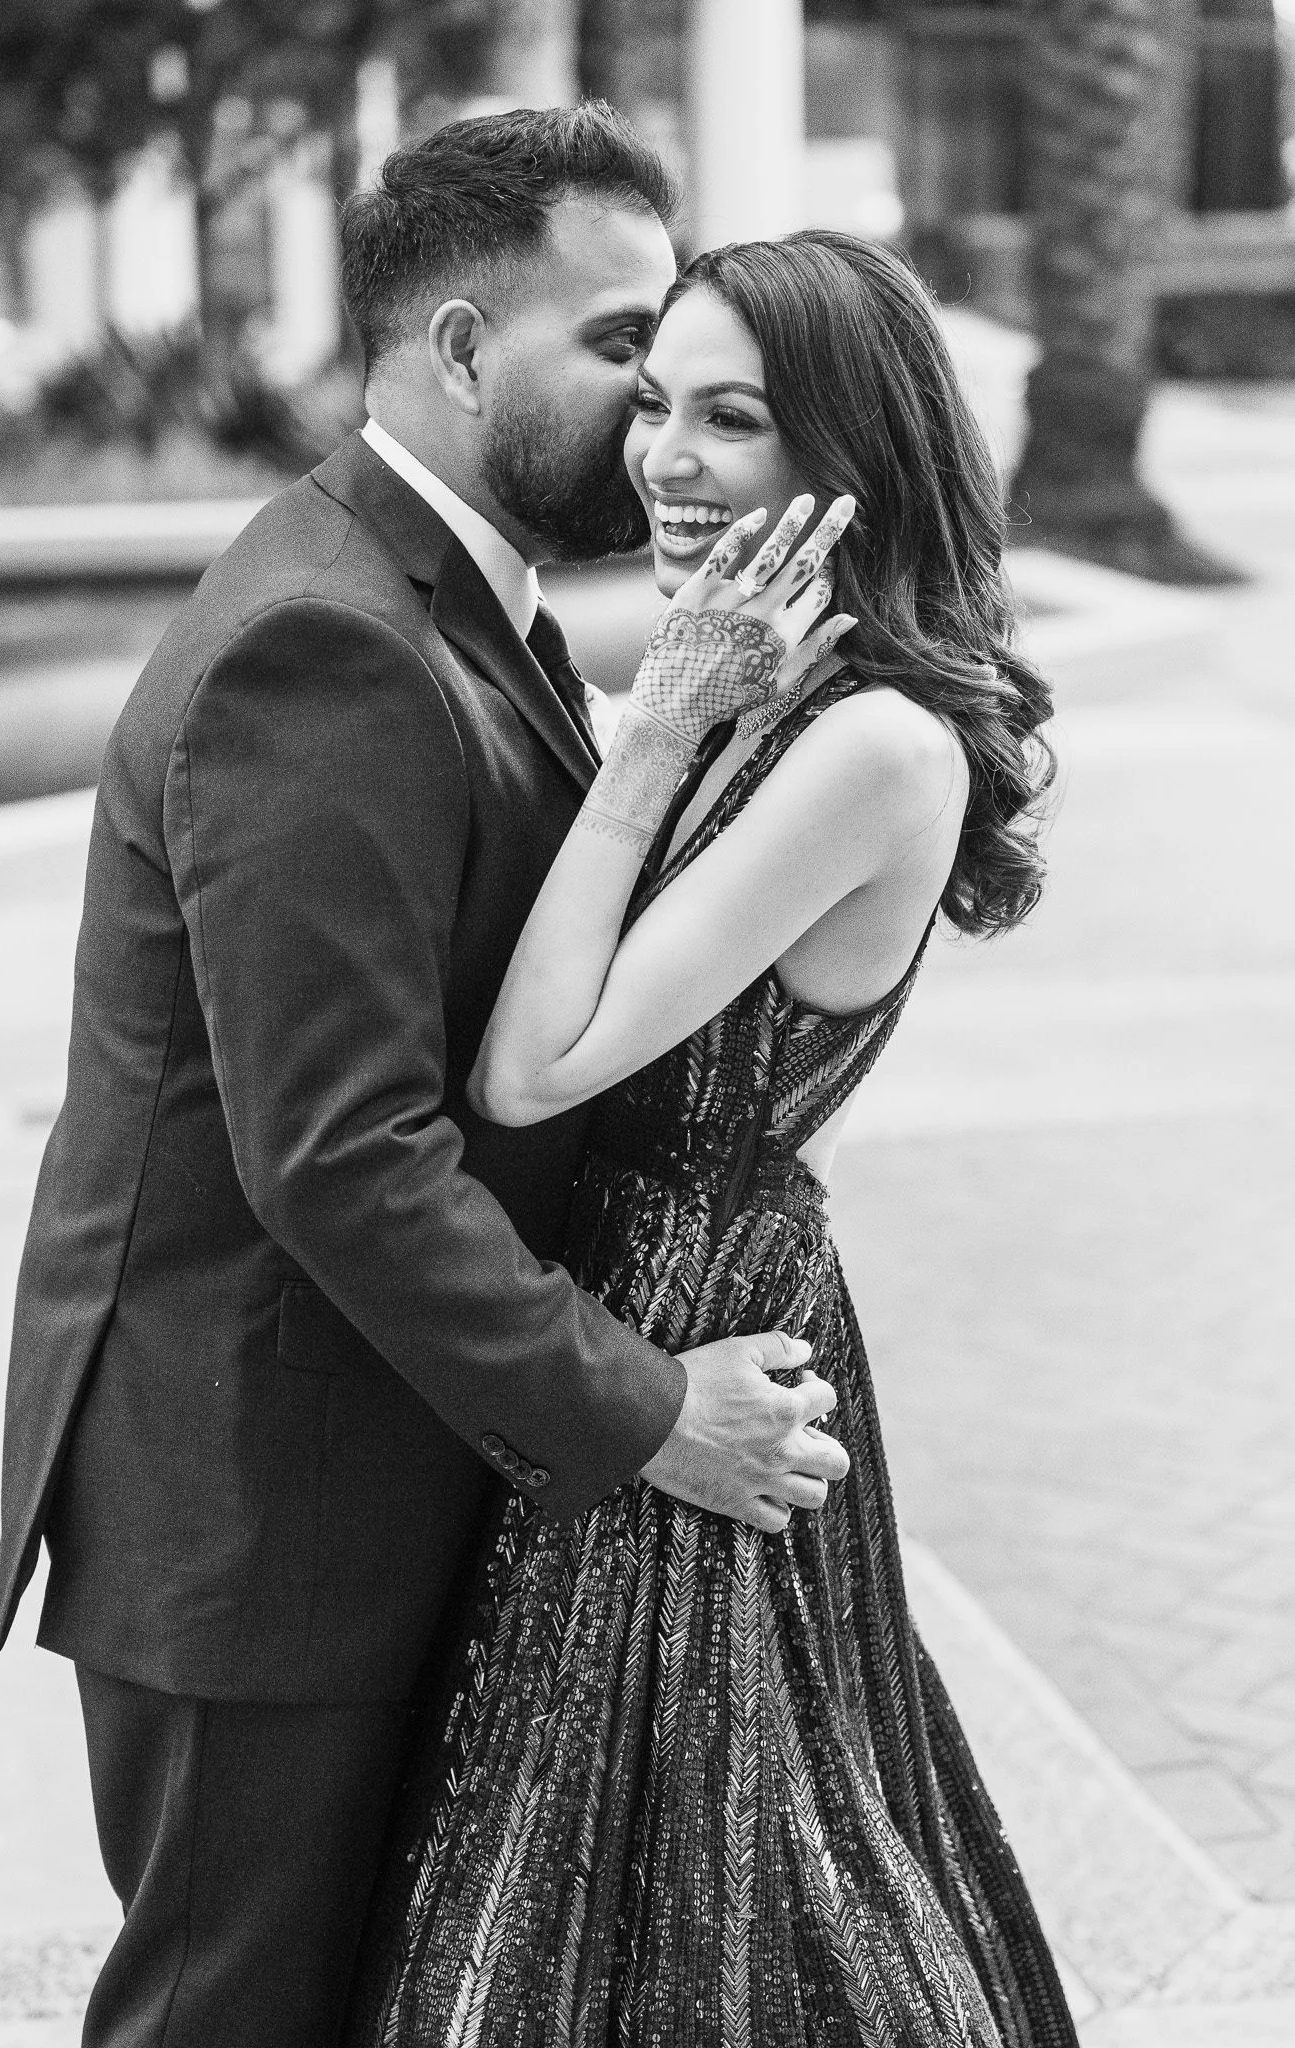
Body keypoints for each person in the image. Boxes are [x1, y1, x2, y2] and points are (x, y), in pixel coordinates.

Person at [0, 108, 850, 2048]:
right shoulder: (326, 639)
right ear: (461, 349)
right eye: (621, 344)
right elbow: (341, 1153)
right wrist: (649, 1412)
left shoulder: (457, 602)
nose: (657, 404)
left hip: (356, 1477)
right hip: (265, 1520)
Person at [349, 232, 1079, 2048]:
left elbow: (537, 1068)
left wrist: (651, 732)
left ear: (849, 450)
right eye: (656, 403)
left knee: (731, 1890)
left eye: (731, 418)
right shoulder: (768, 684)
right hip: (634, 1315)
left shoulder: (875, 747)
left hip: (705, 1323)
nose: (665, 458)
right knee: (596, 1887)